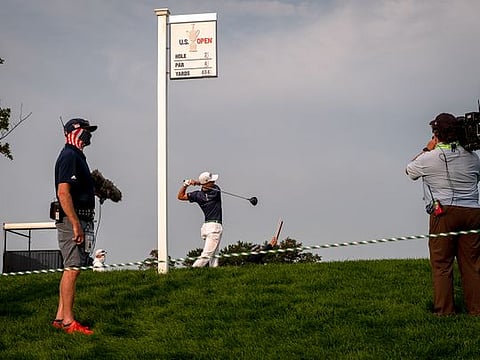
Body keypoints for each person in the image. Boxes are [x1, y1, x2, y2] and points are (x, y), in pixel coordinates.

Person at [406, 113, 480, 316]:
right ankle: (476, 310)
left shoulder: (429, 158)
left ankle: (445, 312)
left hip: (444, 213)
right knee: (472, 265)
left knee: (442, 264)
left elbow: (409, 171)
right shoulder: (473, 157)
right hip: (473, 212)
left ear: (436, 133)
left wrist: (427, 149)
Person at [52, 118, 97, 334]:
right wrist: (75, 223)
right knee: (72, 269)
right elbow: (63, 192)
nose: (89, 135)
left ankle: (60, 318)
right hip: (73, 220)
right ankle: (69, 322)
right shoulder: (69, 155)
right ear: (76, 131)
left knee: (72, 268)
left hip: (80, 218)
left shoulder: (78, 156)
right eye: (87, 131)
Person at [178, 171, 223, 267]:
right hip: (214, 227)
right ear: (207, 183)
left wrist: (186, 185)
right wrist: (198, 183)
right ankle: (193, 271)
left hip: (206, 227)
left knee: (214, 254)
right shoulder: (216, 191)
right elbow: (207, 186)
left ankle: (214, 272)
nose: (214, 182)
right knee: (206, 255)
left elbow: (180, 196)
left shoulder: (197, 195)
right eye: (212, 181)